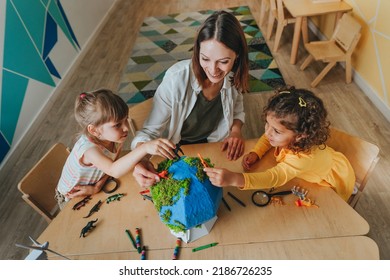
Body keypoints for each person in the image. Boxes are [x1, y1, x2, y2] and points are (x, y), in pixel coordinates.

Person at [131, 10, 249, 188]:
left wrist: (235, 131)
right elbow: (149, 133)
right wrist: (141, 159)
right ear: (197, 51)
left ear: (237, 56)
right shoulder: (176, 78)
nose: (213, 70)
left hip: (214, 147)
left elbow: (238, 108)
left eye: (223, 61)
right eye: (205, 59)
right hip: (177, 148)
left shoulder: (234, 77)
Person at [204, 87, 356, 202]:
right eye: (267, 124)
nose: (268, 132)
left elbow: (275, 177)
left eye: (276, 131)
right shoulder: (284, 135)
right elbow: (267, 137)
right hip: (315, 164)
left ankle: (351, 189)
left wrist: (235, 179)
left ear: (300, 136)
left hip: (329, 179)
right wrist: (257, 152)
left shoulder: (302, 158)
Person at [55, 89, 175, 207]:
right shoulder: (89, 150)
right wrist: (144, 148)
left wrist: (97, 187)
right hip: (71, 197)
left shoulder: (114, 138)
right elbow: (113, 170)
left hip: (95, 185)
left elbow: (111, 167)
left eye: (126, 120)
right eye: (117, 125)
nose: (126, 128)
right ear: (94, 130)